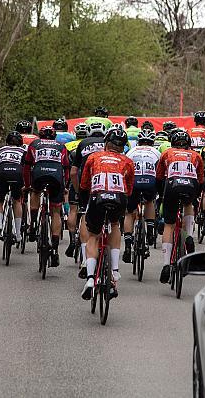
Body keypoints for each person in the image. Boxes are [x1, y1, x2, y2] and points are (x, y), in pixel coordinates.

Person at [79, 127, 135, 300]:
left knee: (94, 236)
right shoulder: (127, 161)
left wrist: (83, 202)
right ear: (123, 147)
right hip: (118, 198)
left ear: (106, 143)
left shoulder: (93, 157)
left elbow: (84, 185)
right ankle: (115, 270)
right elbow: (130, 188)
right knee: (115, 224)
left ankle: (89, 279)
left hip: (97, 197)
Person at [156, 130, 204, 284]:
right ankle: (189, 235)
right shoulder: (196, 155)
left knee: (169, 225)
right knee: (188, 204)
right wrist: (197, 195)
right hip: (191, 186)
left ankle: (165, 264)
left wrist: (161, 196)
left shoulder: (167, 153)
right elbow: (201, 179)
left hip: (172, 185)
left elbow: (159, 177)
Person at [23, 126, 70, 268]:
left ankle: (34, 225)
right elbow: (67, 167)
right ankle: (55, 248)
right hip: (56, 178)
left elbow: (26, 166)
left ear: (40, 135)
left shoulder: (34, 144)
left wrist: (27, 185)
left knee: (35, 192)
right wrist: (66, 186)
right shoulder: (61, 146)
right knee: (56, 212)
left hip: (38, 175)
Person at [68, 122, 107, 276]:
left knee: (85, 214)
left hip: (86, 182)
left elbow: (73, 172)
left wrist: (78, 192)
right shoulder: (108, 144)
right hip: (106, 182)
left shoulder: (83, 143)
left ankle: (85, 256)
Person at [123, 129, 160, 262]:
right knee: (149, 201)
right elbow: (160, 171)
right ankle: (150, 231)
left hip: (134, 181)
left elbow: (125, 169)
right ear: (152, 142)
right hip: (150, 181)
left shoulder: (131, 151)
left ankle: (127, 245)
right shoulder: (156, 152)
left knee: (129, 212)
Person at [0, 131, 26, 240]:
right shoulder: (23, 151)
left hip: (3, 173)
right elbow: (26, 169)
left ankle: (0, 224)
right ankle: (18, 233)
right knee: (17, 200)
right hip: (17, 173)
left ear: (7, 142)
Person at [65, 123, 88, 252]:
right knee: (86, 211)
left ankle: (72, 239)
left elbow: (67, 166)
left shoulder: (70, 146)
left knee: (73, 209)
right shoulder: (92, 146)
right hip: (89, 178)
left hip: (74, 176)